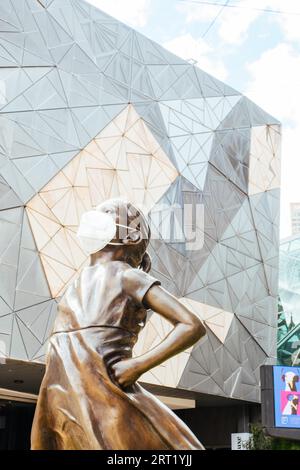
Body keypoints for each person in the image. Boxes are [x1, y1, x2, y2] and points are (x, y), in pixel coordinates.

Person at [31, 198, 206, 450]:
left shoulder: (128, 276)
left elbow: (192, 325)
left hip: (106, 394)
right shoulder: (76, 284)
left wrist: (137, 365)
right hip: (61, 396)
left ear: (131, 235)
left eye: (108, 212)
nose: (96, 215)